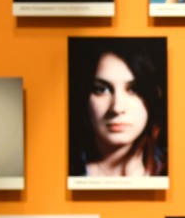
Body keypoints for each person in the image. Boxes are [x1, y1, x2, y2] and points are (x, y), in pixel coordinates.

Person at [69, 41, 167, 177]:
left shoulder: (171, 169)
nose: (117, 108)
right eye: (101, 89)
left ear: (154, 94)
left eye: (133, 89)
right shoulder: (64, 169)